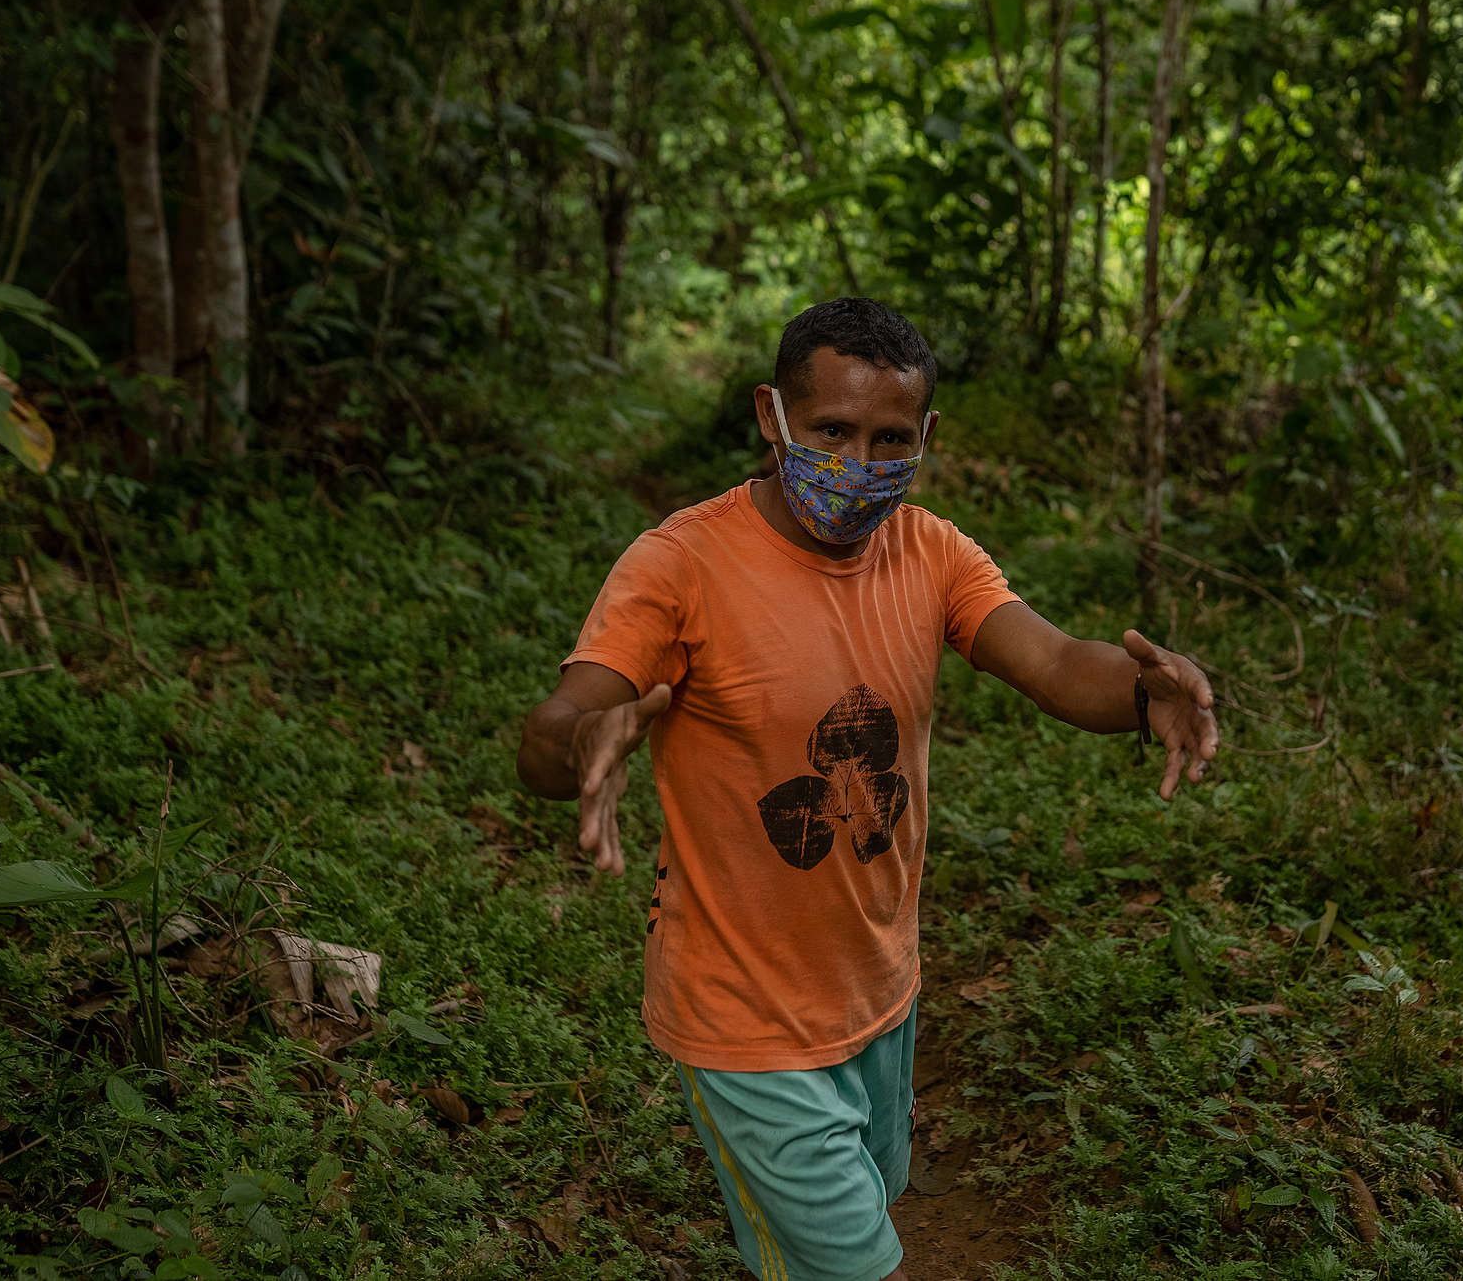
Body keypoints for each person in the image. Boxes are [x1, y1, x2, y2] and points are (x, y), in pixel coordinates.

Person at [516, 297, 1219, 1281]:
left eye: (889, 438)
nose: (857, 460)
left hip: (879, 998)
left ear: (926, 436)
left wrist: (1142, 696)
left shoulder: (930, 553)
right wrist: (583, 738)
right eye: (830, 430)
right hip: (742, 1026)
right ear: (772, 417)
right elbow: (555, 726)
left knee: (861, 1212)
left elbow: (1054, 660)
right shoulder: (680, 564)